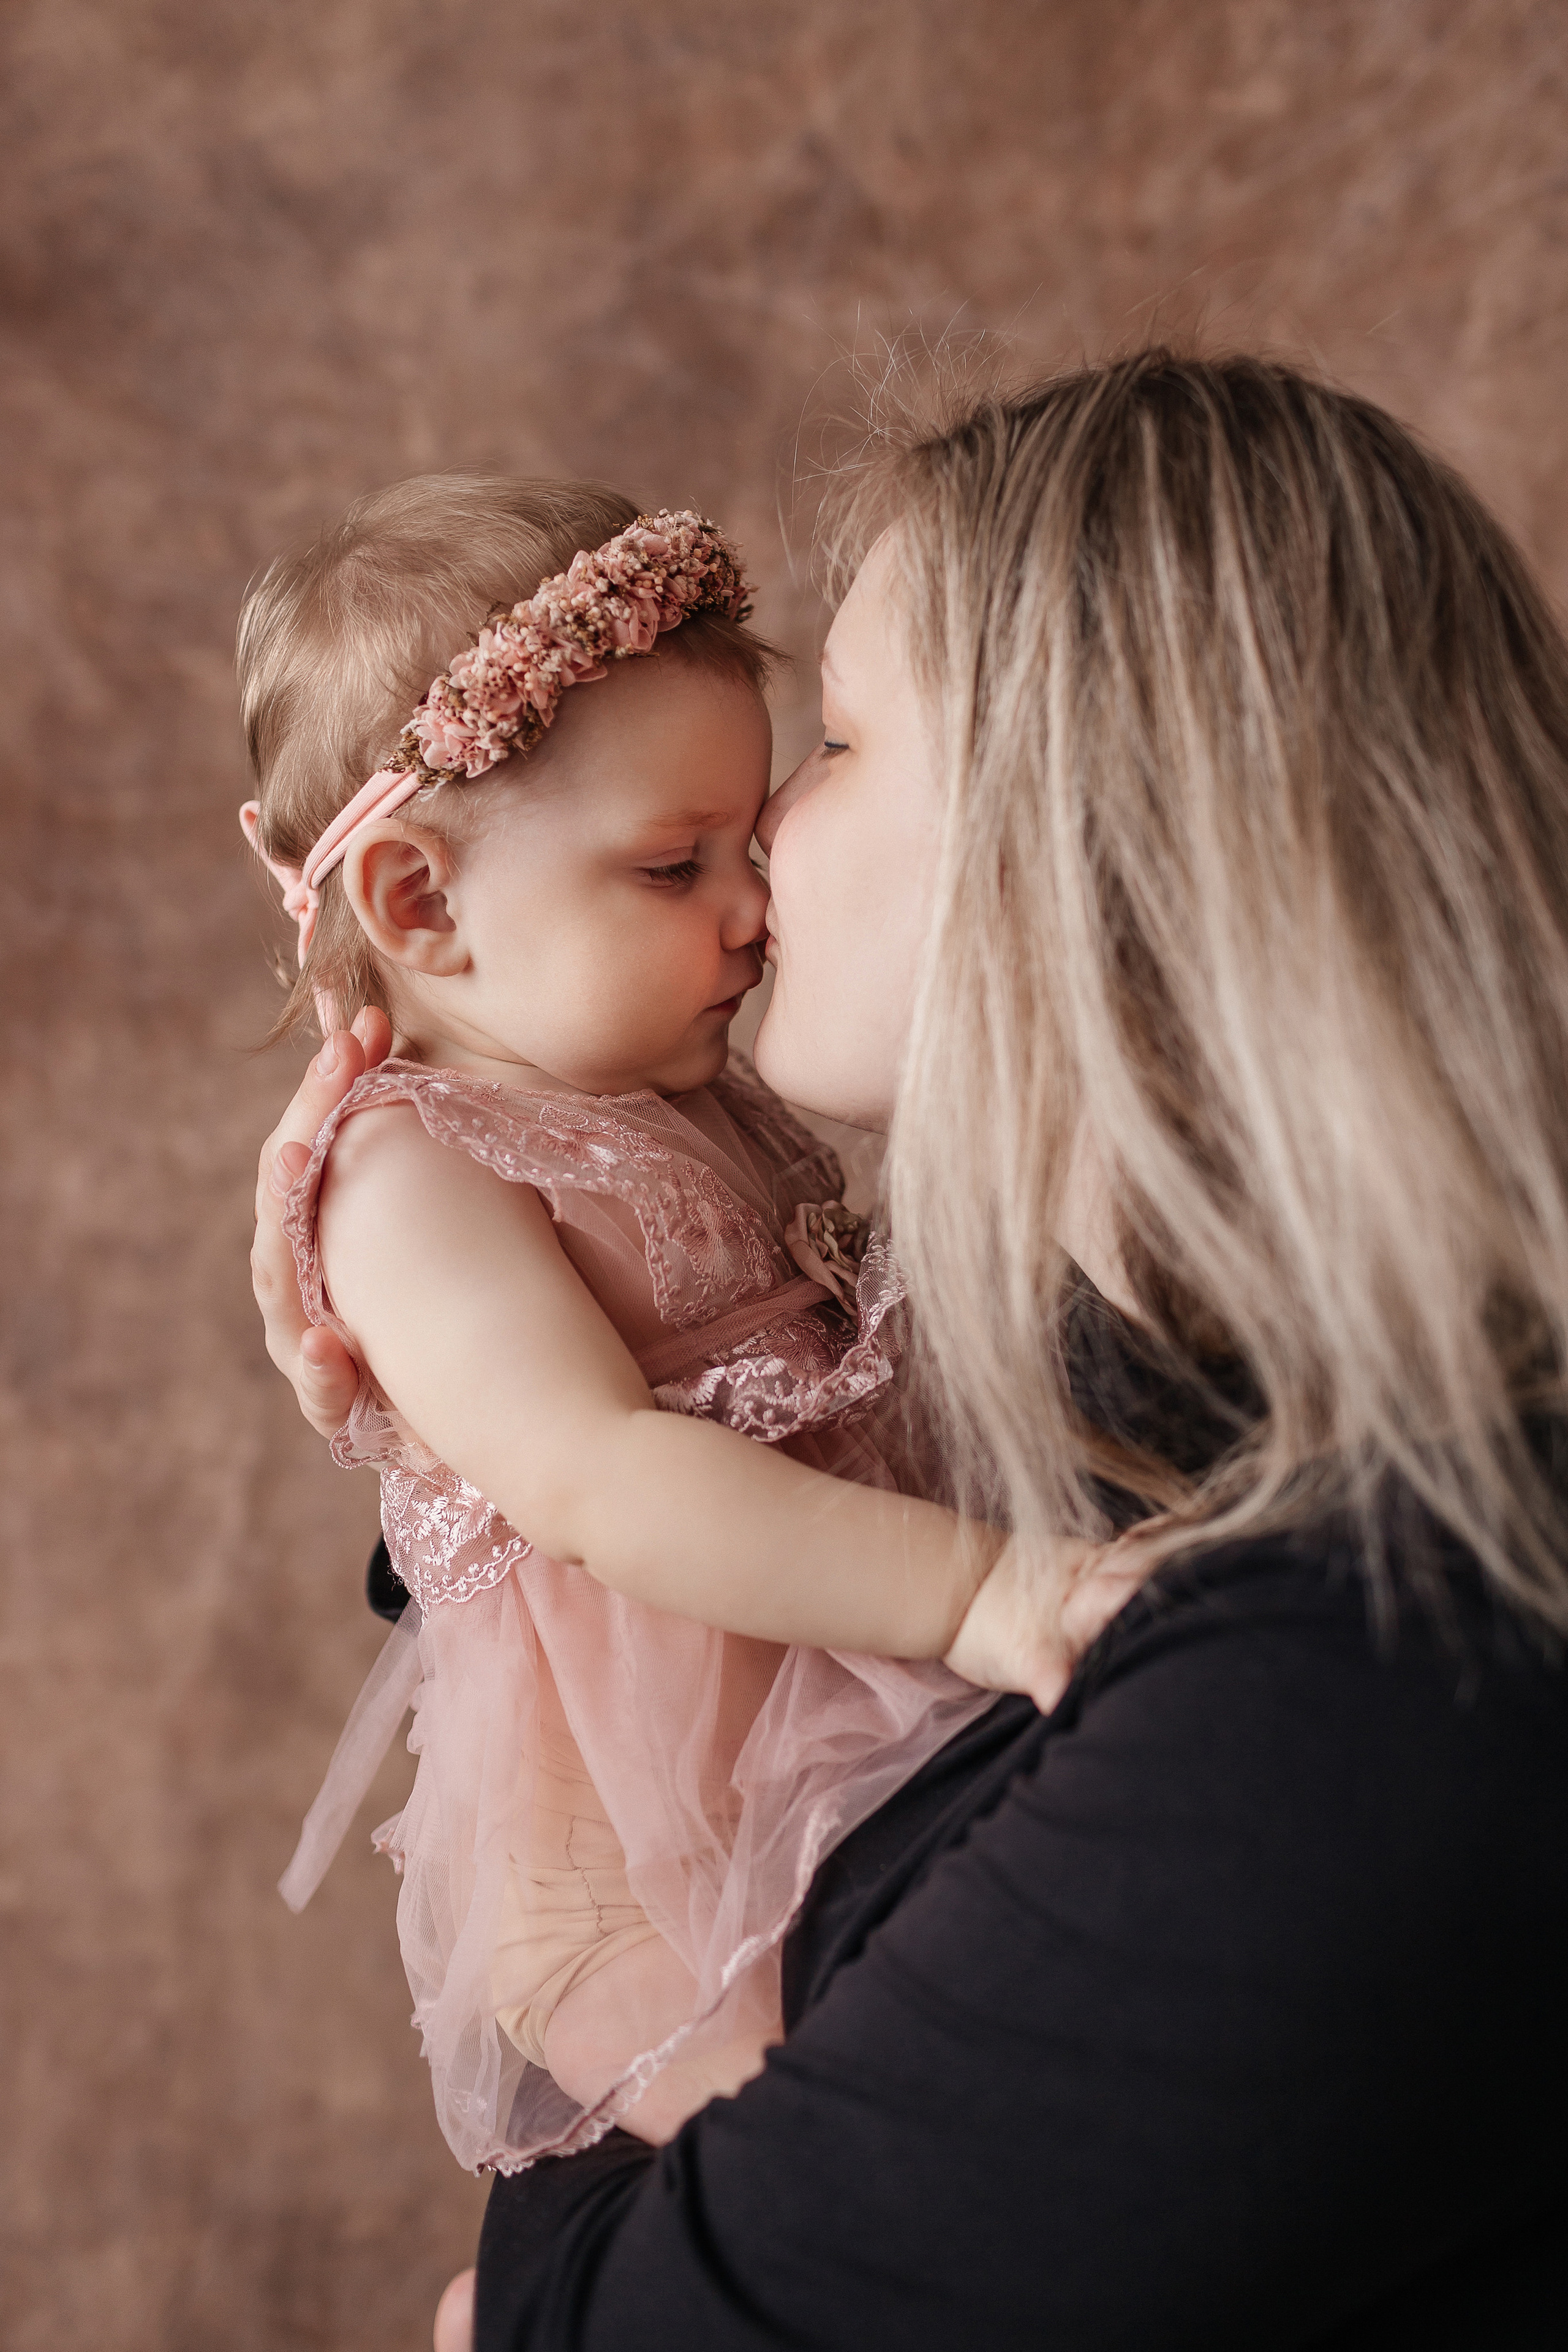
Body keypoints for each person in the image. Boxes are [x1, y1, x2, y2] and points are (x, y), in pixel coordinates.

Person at [252, 353, 1568, 2349]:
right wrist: (450, 1408)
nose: (762, 842)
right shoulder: (1168, 1416)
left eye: (840, 743)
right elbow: (654, 1481)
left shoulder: (1356, 1661)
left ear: (1095, 842)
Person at [236, 481, 1120, 2173]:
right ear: (419, 909)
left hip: (848, 1711)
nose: (750, 905)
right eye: (670, 865)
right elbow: (592, 1476)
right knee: (850, 2157)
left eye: (745, 838)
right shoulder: (407, 1170)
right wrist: (988, 1586)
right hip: (640, 1849)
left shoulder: (670, 1076)